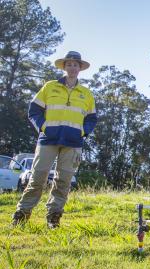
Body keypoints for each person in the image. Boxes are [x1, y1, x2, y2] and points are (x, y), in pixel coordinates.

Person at [11, 51, 97, 228]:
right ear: (64, 66)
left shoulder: (86, 93)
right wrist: (43, 127)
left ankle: (53, 218)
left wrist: (83, 132)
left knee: (63, 182)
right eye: (69, 64)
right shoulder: (49, 87)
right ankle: (21, 215)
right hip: (47, 140)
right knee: (37, 178)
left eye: (75, 65)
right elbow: (34, 110)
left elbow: (92, 118)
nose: (72, 67)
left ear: (80, 68)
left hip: (73, 143)